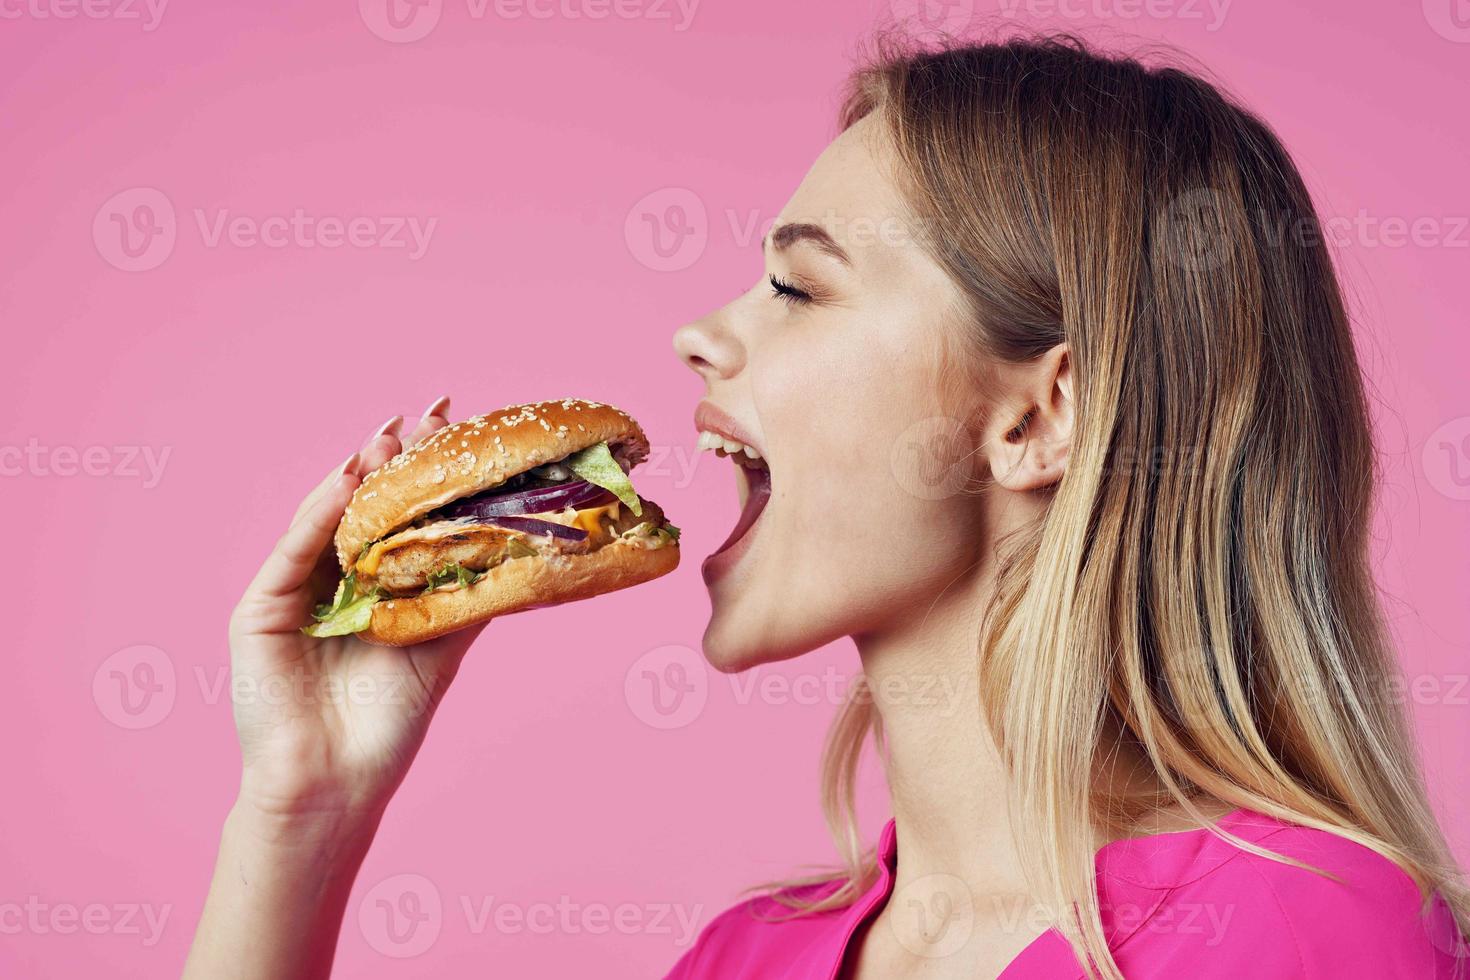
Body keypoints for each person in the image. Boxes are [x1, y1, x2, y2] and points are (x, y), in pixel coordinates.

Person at [185, 35, 1468, 979]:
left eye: (800, 288)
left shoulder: (1306, 932)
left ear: (1037, 418)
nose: (698, 334)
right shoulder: (746, 956)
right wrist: (302, 811)